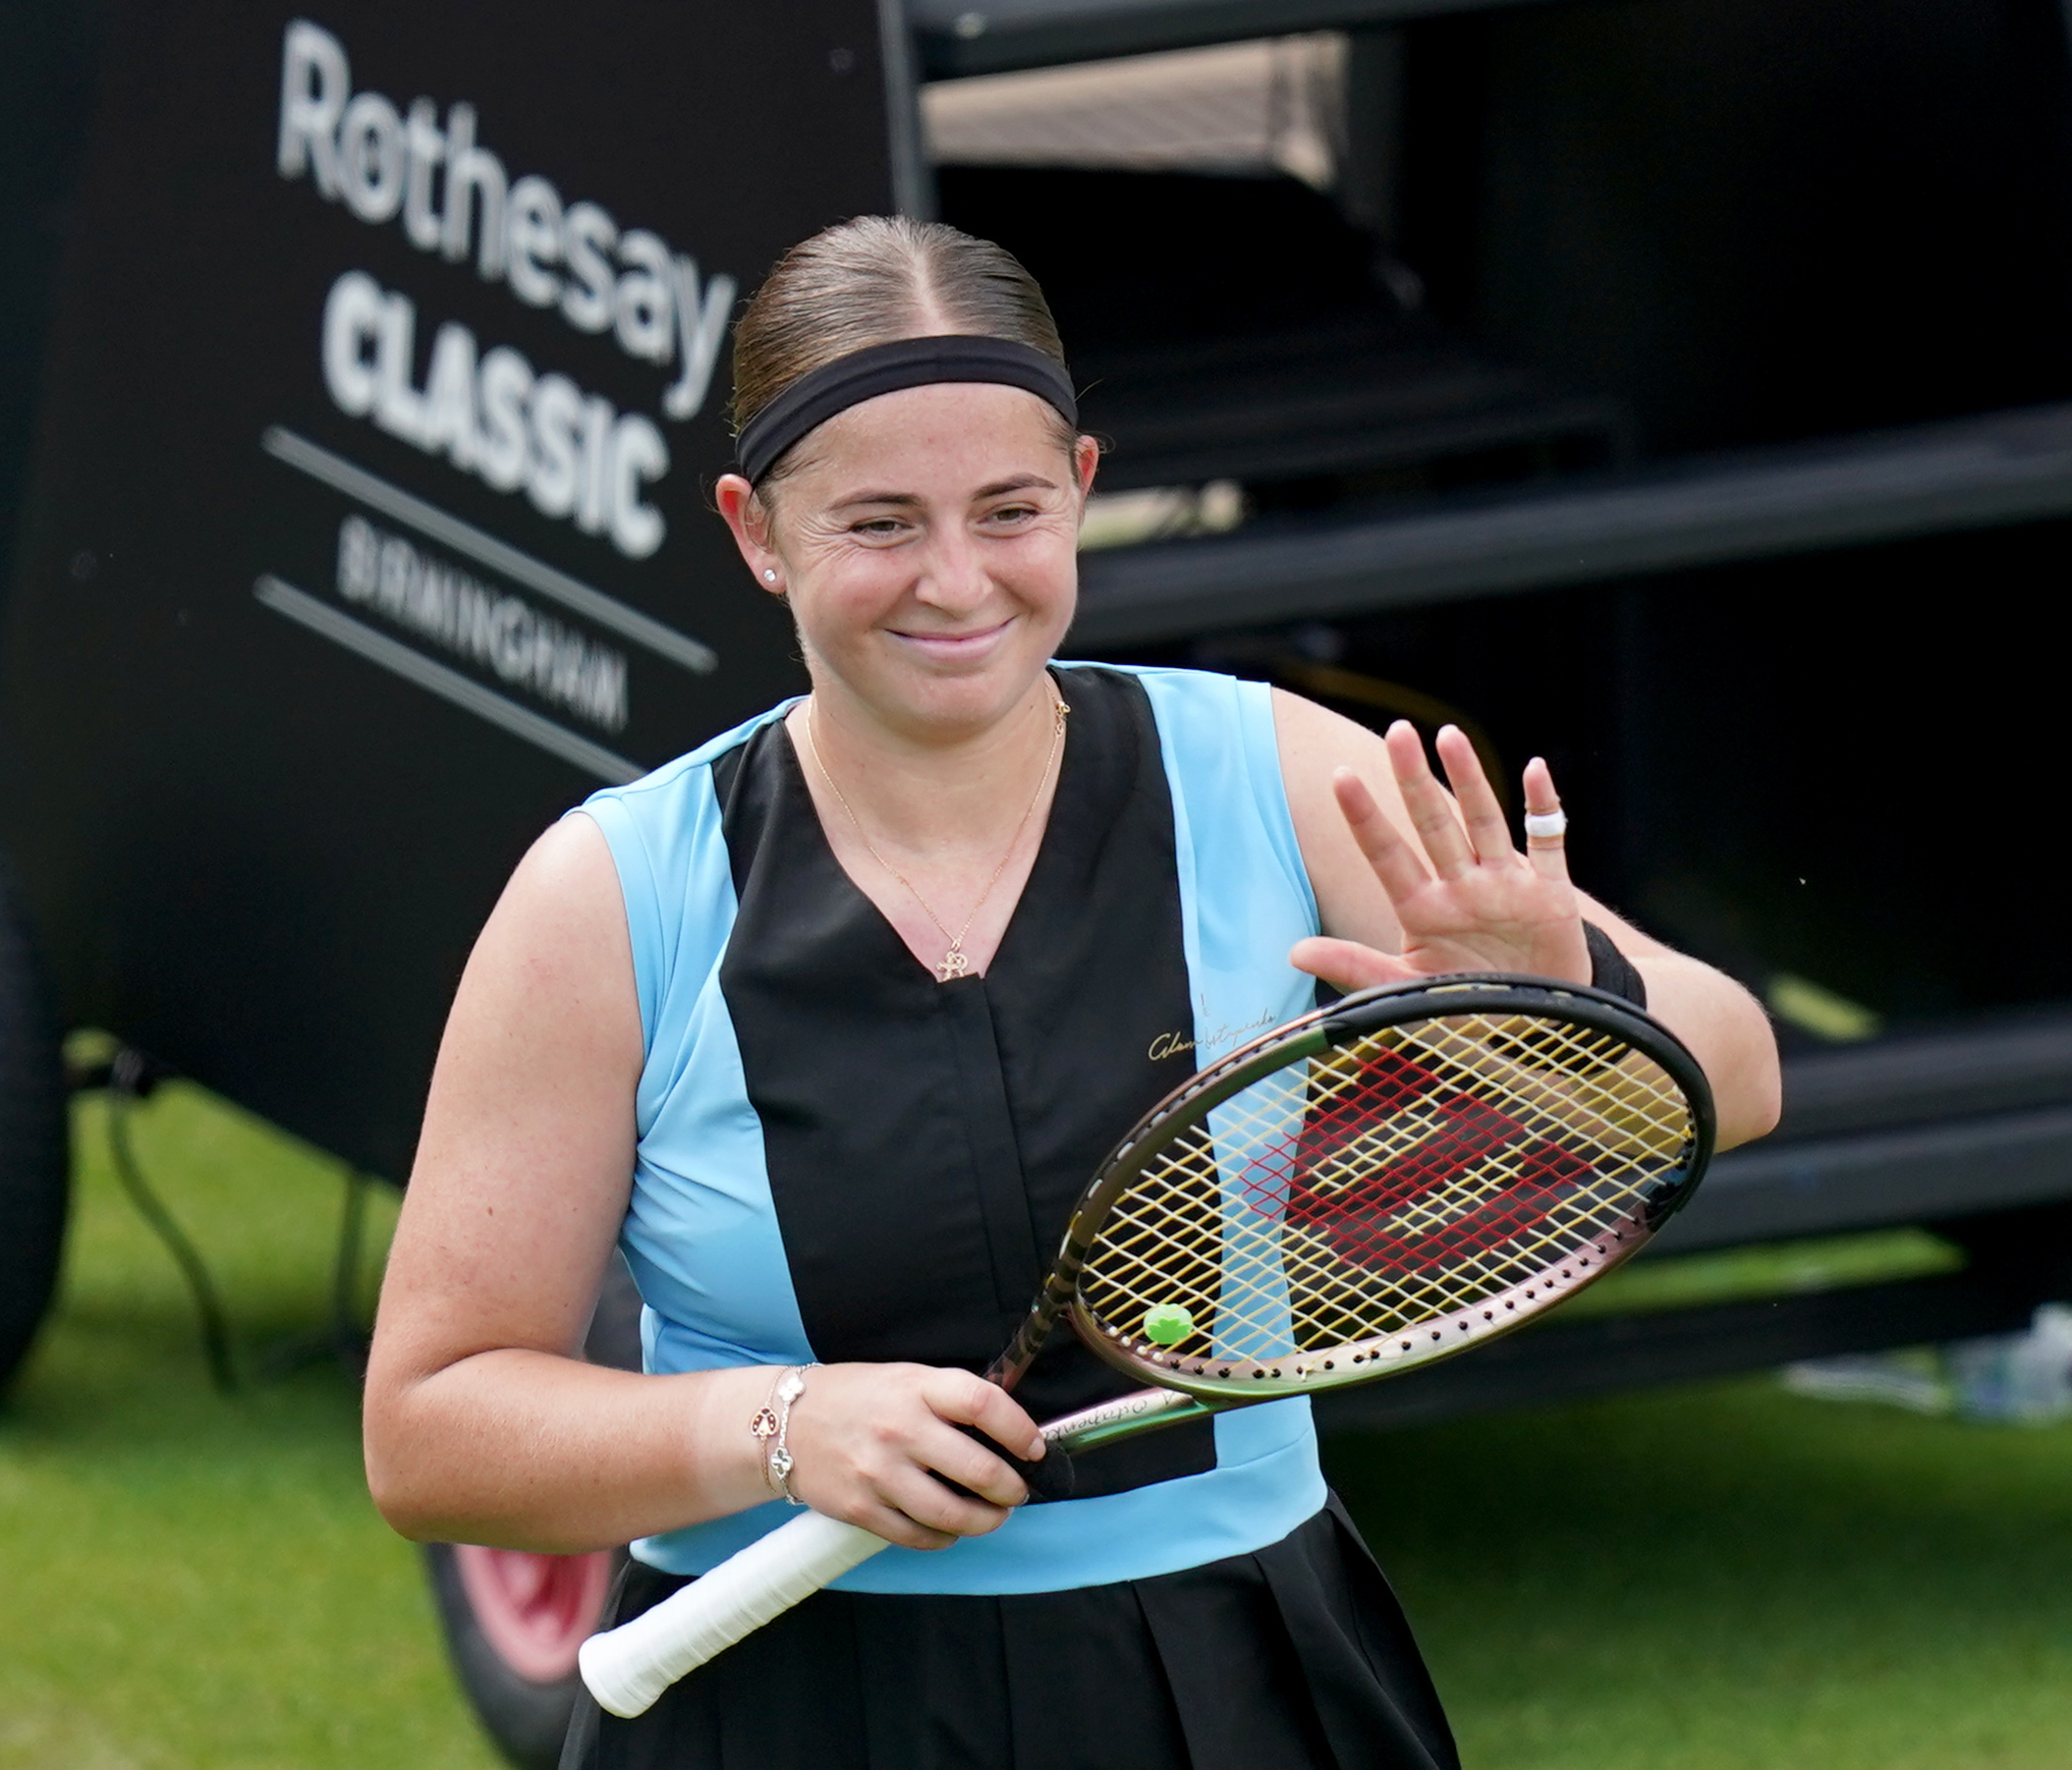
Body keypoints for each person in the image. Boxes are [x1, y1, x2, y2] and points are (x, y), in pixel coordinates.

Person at [364, 216, 1781, 1769]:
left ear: (1084, 492)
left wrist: (1552, 1001)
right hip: (770, 1704)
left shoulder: (1272, 772)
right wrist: (778, 1429)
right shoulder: (611, 890)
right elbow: (431, 1425)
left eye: (1010, 508)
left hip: (1232, 1682)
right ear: (754, 531)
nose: (956, 580)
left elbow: (1736, 1072)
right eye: (879, 522)